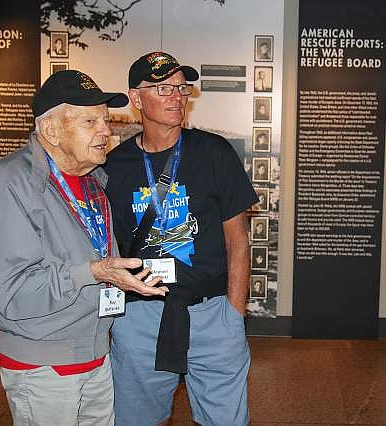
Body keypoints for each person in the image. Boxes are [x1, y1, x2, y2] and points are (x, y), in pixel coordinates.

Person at [0, 70, 168, 425]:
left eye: (106, 120)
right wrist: (94, 271)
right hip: (44, 368)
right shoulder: (9, 184)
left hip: (95, 357)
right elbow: (12, 290)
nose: (107, 131)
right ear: (51, 131)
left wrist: (111, 275)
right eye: (90, 121)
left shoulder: (91, 182)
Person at [104, 51, 257, 426]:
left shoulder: (214, 152)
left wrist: (234, 314)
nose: (177, 96)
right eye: (163, 87)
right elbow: (105, 245)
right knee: (138, 419)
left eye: (181, 87)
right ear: (136, 99)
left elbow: (238, 240)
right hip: (141, 315)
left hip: (210, 313)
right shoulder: (114, 166)